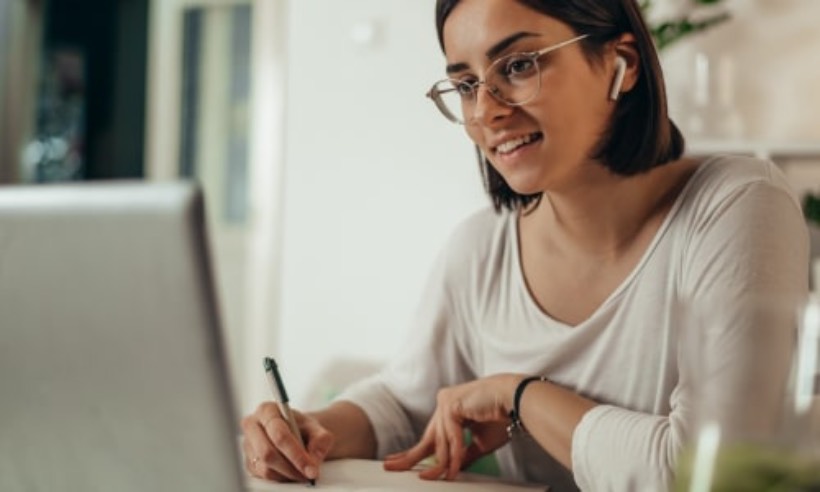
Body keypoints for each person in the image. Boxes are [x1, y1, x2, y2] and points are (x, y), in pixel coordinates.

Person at [240, 0, 809, 490]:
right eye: (465, 85)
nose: (486, 110)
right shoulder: (480, 250)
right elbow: (404, 399)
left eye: (517, 65)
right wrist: (310, 430)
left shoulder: (736, 206)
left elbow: (709, 475)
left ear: (622, 63)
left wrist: (521, 398)